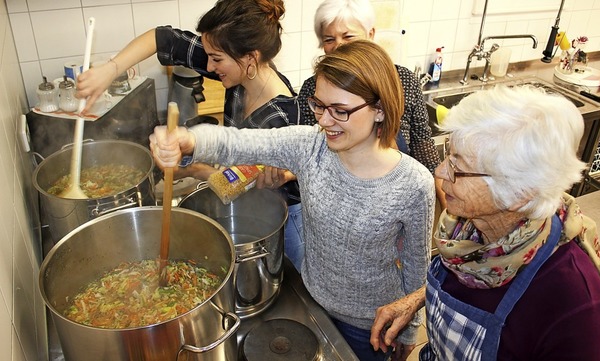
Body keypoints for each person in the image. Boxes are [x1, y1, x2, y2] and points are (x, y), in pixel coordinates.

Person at [150, 40, 435, 361]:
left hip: (372, 326)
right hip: (312, 304)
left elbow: (417, 267)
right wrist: (189, 140)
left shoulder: (414, 184)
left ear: (379, 109)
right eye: (319, 106)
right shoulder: (311, 145)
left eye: (340, 111)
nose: (325, 121)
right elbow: (239, 143)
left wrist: (409, 329)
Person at [370, 85, 600, 360]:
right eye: (447, 157)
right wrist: (414, 300)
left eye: (458, 167)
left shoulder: (574, 302)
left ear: (520, 193)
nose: (440, 172)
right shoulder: (467, 227)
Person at [75, 0, 302, 225]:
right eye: (209, 56)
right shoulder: (241, 73)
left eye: (216, 59)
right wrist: (110, 70)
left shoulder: (282, 118)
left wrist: (191, 169)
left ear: (250, 57)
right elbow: (163, 39)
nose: (210, 67)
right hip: (244, 199)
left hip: (280, 222)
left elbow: (237, 184)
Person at [282, 0, 445, 271]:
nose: (339, 46)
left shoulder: (401, 79)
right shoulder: (314, 88)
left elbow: (421, 141)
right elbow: (315, 155)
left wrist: (444, 203)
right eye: (329, 39)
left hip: (397, 204)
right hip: (344, 212)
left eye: (348, 36)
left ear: (371, 35)